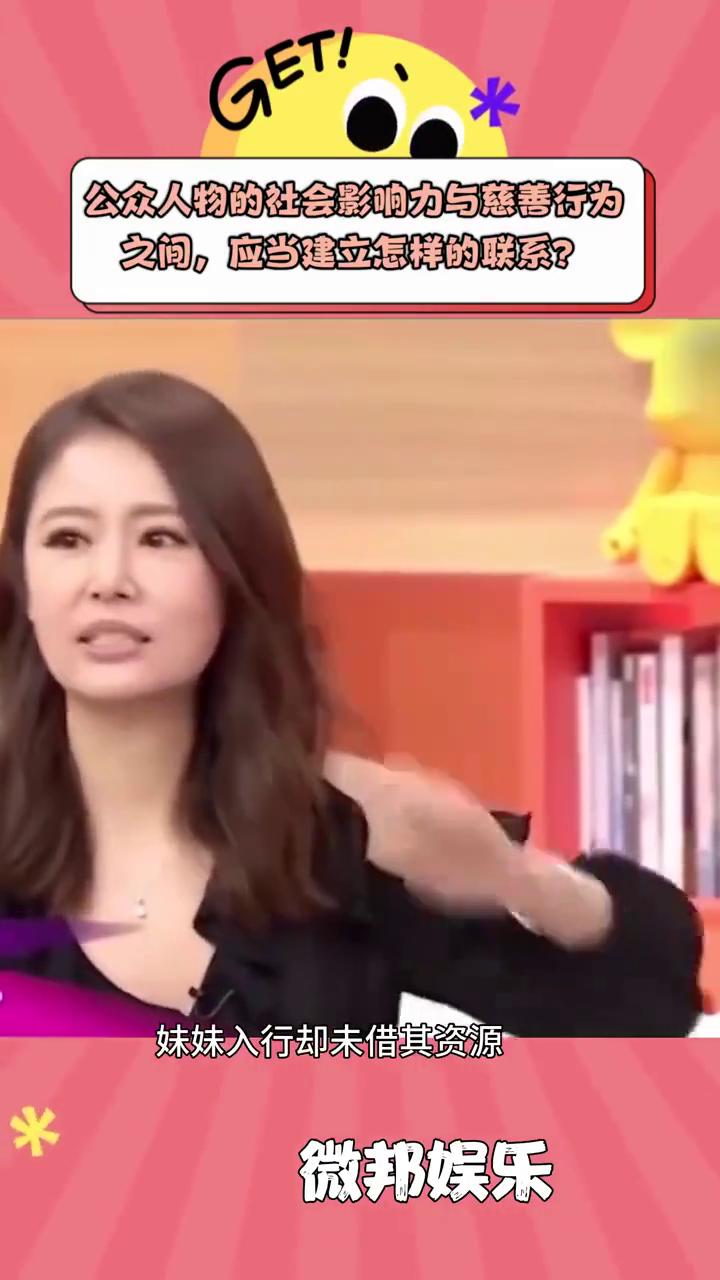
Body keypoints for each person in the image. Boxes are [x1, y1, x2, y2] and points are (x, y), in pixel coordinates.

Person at [0, 370, 704, 1037]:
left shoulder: (341, 842)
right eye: (68, 539)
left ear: (234, 576)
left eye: (161, 538)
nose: (109, 580)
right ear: (23, 582)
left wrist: (516, 878)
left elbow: (653, 1005)